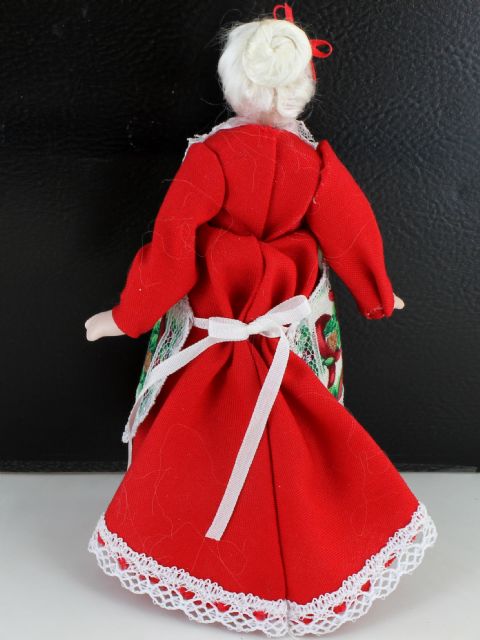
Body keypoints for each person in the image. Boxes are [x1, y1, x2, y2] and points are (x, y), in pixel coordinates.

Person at [85, 4, 436, 636]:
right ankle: (313, 556)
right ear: (301, 86)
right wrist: (378, 294)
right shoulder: (315, 164)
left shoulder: (211, 157)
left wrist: (125, 316)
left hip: (216, 335)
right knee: (303, 449)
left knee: (194, 452)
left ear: (234, 85)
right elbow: (352, 230)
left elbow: (172, 251)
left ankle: (199, 562)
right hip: (283, 341)